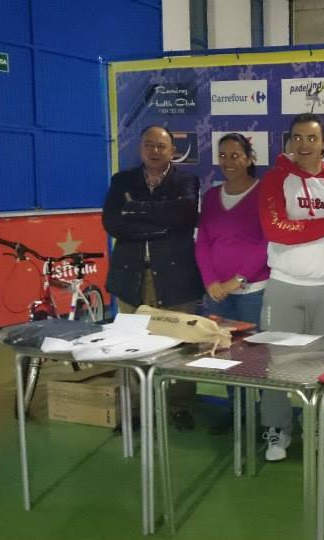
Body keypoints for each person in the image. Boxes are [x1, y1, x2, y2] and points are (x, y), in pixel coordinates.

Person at [258, 113, 324, 461]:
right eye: (297, 137)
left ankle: (315, 423)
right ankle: (277, 429)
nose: (303, 144)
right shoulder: (275, 180)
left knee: (323, 363)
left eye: (311, 138)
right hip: (285, 286)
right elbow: (275, 229)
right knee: (277, 362)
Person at [102, 125, 204, 430]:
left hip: (176, 277)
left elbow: (184, 216)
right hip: (131, 277)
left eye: (161, 146)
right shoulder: (122, 181)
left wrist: (135, 210)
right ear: (140, 148)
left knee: (181, 345)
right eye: (149, 145)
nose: (155, 151)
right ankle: (136, 409)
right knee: (130, 345)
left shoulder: (186, 181)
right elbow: (113, 223)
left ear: (173, 150)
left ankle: (179, 405)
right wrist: (161, 225)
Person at [195, 132, 269, 434]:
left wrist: (236, 280)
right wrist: (211, 282)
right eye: (223, 156)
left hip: (252, 292)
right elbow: (202, 243)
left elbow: (267, 243)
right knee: (226, 353)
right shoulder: (212, 196)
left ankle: (263, 416)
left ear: (249, 159)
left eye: (235, 155)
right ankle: (236, 411)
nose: (228, 161)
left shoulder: (264, 193)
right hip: (217, 294)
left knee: (255, 355)